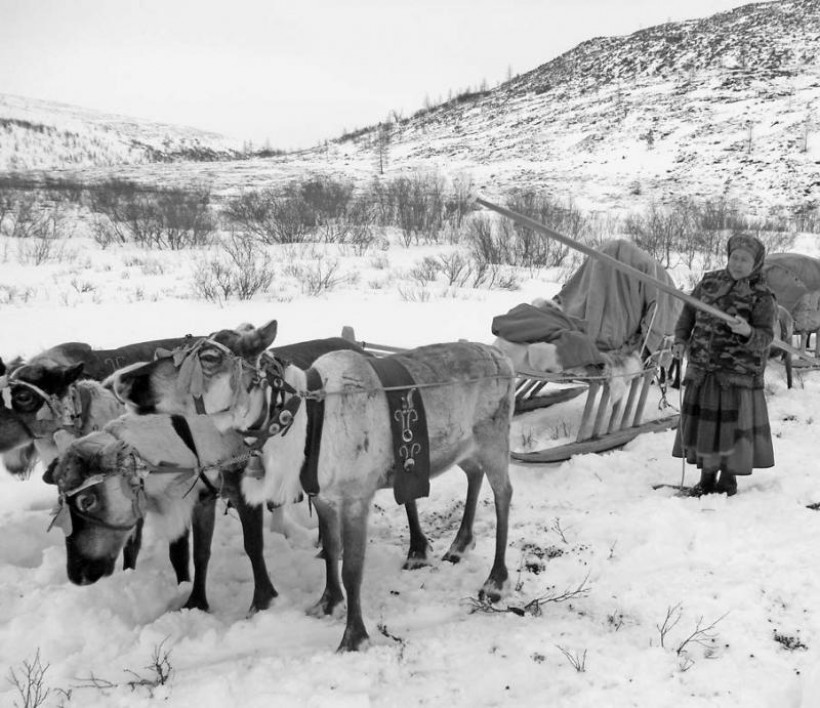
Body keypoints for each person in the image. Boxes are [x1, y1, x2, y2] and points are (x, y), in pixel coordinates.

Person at [671, 233, 776, 496]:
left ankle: (728, 479)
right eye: (735, 257)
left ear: (756, 263)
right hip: (703, 368)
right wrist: (681, 340)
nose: (738, 263)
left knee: (730, 428)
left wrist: (748, 331)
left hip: (736, 374)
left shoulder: (761, 294)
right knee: (706, 425)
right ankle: (707, 479)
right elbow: (688, 314)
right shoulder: (709, 282)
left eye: (745, 259)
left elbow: (766, 337)